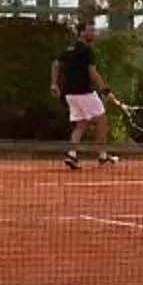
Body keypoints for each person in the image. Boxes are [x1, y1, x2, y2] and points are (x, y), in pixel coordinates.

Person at [53, 18, 121, 172]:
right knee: (101, 120)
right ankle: (103, 155)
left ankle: (71, 154)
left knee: (81, 124)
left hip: (69, 94)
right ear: (81, 33)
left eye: (93, 30)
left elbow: (56, 63)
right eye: (89, 30)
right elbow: (93, 73)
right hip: (83, 92)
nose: (93, 33)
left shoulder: (70, 50)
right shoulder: (87, 51)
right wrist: (105, 91)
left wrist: (54, 83)